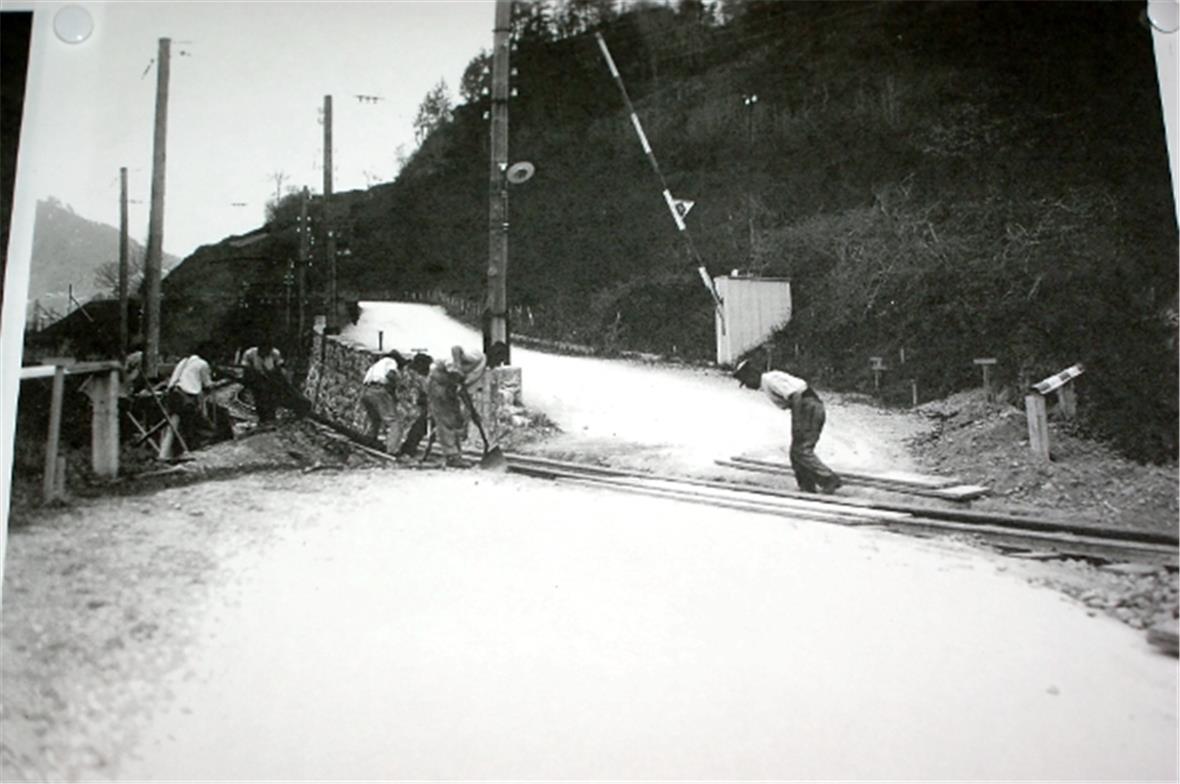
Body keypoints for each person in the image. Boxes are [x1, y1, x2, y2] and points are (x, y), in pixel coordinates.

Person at [733, 359, 842, 494]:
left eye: (746, 381)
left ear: (751, 375)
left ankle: (829, 479)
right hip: (807, 406)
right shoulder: (768, 381)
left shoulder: (770, 379)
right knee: (796, 452)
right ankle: (807, 485)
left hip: (807, 406)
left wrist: (796, 422)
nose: (748, 386)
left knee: (801, 450)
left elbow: (796, 395)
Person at [425, 346, 486, 468]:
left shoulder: (479, 373)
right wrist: (457, 367)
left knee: (456, 419)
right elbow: (456, 349)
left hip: (450, 386)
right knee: (445, 419)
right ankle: (452, 457)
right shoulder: (478, 356)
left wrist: (473, 412)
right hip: (438, 381)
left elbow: (464, 392)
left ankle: (456, 454)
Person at [241, 340, 309, 424]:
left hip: (273, 380)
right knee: (260, 401)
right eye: (262, 350)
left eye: (267, 350)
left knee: (272, 401)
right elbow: (245, 371)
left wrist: (274, 374)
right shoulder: (249, 354)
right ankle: (263, 419)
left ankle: (271, 417)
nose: (264, 352)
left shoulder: (274, 354)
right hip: (257, 381)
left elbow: (280, 371)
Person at [166, 343, 216, 450]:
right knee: (197, 422)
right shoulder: (202, 364)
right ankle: (196, 445)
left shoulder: (184, 361)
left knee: (181, 424)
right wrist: (212, 384)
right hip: (187, 396)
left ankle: (180, 447)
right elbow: (207, 384)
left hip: (174, 394)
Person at [361, 351, 407, 454]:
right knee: (395, 422)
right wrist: (395, 389)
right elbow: (391, 375)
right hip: (379, 390)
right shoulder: (391, 361)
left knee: (375, 420)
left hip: (366, 391)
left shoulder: (376, 365)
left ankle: (369, 442)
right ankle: (392, 451)